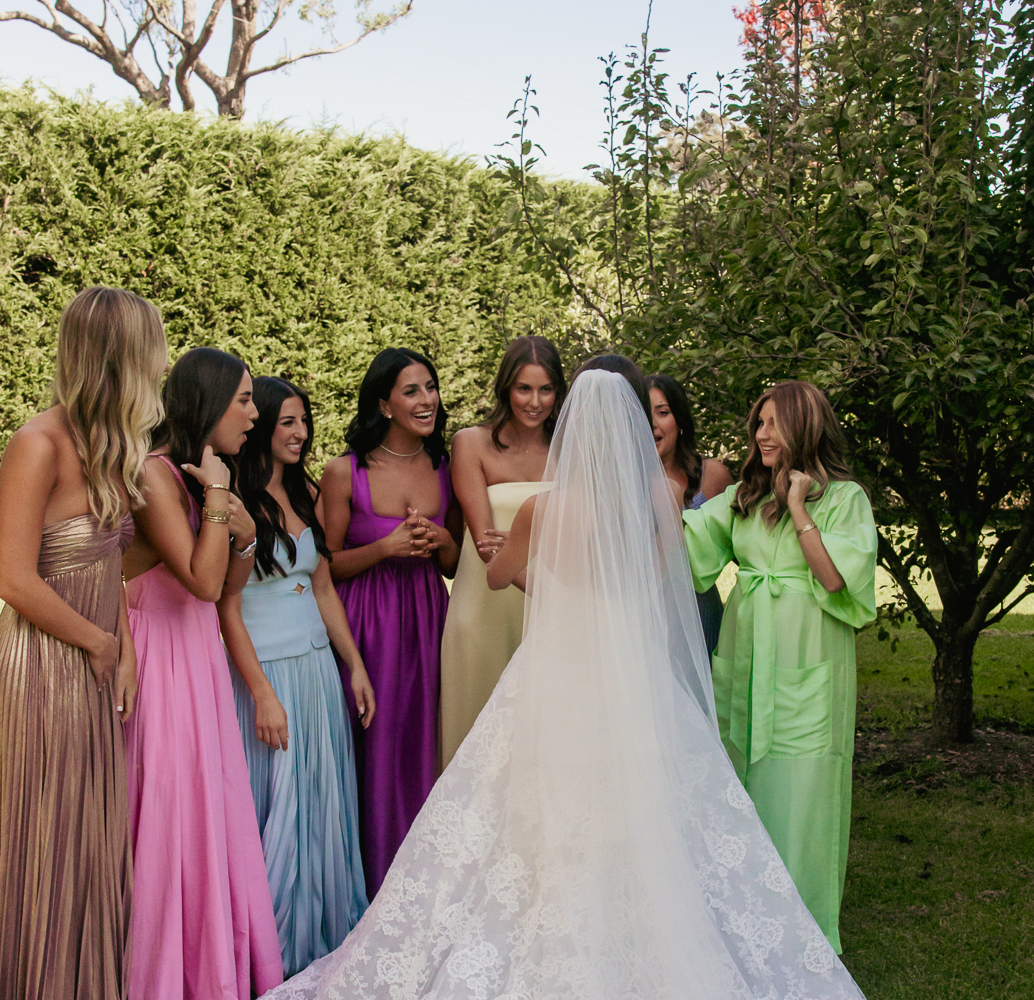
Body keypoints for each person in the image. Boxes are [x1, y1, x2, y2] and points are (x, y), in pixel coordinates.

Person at [257, 370, 864, 1000]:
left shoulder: (543, 508)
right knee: (638, 798)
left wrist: (518, 561)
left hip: (557, 666)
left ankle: (555, 911)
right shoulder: (660, 497)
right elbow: (658, 583)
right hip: (631, 670)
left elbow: (498, 578)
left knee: (535, 799)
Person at [0, 286, 163, 1000]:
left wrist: (123, 645)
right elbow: (14, 579)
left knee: (86, 839)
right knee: (40, 839)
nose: (161, 365)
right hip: (36, 672)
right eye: (152, 350)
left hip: (93, 663)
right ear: (121, 357)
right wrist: (97, 643)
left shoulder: (111, 449)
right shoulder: (37, 444)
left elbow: (108, 565)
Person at [681, 381, 877, 953]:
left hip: (807, 658)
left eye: (773, 424)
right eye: (759, 424)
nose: (762, 435)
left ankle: (802, 933)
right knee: (739, 780)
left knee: (801, 787)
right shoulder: (744, 495)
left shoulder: (845, 499)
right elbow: (685, 546)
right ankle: (742, 922)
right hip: (745, 653)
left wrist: (796, 506)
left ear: (804, 427)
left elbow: (834, 578)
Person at [122, 347, 282, 1000]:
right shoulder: (156, 474)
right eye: (243, 401)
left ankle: (210, 963)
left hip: (198, 654)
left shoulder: (208, 475)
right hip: (157, 653)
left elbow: (229, 589)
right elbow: (200, 580)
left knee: (209, 804)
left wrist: (244, 534)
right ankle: (159, 971)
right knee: (168, 805)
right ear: (209, 403)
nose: (254, 414)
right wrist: (219, 499)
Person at [219, 376, 378, 976]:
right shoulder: (232, 498)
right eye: (287, 422)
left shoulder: (305, 492)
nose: (301, 433)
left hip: (315, 670)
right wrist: (261, 693)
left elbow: (322, 586)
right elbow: (224, 605)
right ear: (261, 425)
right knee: (272, 805)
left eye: (303, 421)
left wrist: (353, 665)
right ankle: (266, 949)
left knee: (318, 800)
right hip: (262, 672)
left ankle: (320, 936)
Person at [319, 347, 462, 894]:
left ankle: (423, 884)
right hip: (367, 625)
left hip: (427, 622)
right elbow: (324, 566)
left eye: (430, 387)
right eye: (411, 391)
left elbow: (453, 564)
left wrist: (442, 540)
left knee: (423, 744)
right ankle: (369, 883)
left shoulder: (445, 467)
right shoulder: (345, 471)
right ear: (384, 404)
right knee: (372, 751)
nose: (427, 400)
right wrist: (385, 547)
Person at [440, 336, 566, 768]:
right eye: (524, 389)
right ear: (505, 389)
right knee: (478, 742)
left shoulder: (569, 449)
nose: (535, 402)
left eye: (546, 389)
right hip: (485, 605)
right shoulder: (470, 443)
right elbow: (485, 542)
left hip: (554, 610)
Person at [647, 373, 734, 654]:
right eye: (644, 413)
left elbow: (745, 550)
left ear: (680, 421)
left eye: (663, 412)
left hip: (700, 613)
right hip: (644, 619)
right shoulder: (623, 485)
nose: (652, 423)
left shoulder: (713, 477)